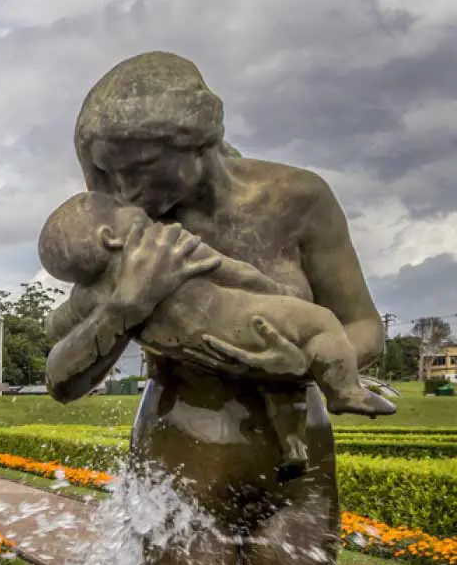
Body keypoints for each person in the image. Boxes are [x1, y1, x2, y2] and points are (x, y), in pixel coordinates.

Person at [45, 52, 386, 565]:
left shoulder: (297, 199)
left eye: (137, 170)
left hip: (295, 472)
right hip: (179, 475)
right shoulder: (129, 235)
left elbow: (364, 326)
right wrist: (125, 305)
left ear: (197, 141)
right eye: (107, 175)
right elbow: (61, 375)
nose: (121, 192)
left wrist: (309, 360)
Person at [40, 191, 395, 469]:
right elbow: (235, 271)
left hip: (247, 370)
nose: (130, 194)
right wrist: (127, 306)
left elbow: (56, 323)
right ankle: (338, 397)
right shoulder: (171, 245)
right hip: (226, 355)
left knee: (279, 384)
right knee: (321, 322)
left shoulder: (92, 293)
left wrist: (298, 370)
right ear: (110, 236)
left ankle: (294, 446)